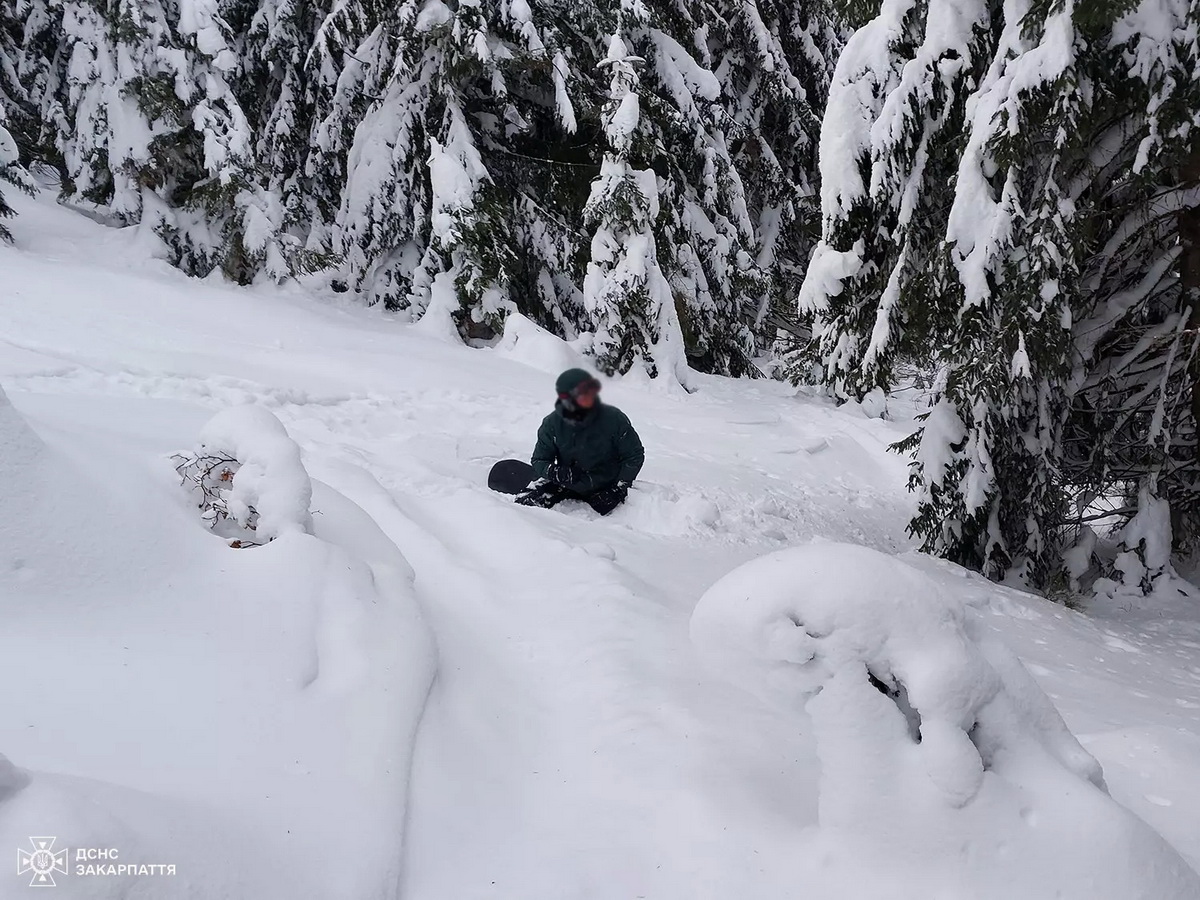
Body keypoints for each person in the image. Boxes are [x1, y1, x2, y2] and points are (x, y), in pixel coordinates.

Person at [516, 368, 644, 515]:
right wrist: (554, 471)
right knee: (524, 504)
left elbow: (634, 455)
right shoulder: (552, 424)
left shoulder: (614, 419)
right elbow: (539, 460)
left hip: (605, 485)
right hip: (567, 484)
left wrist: (620, 487)